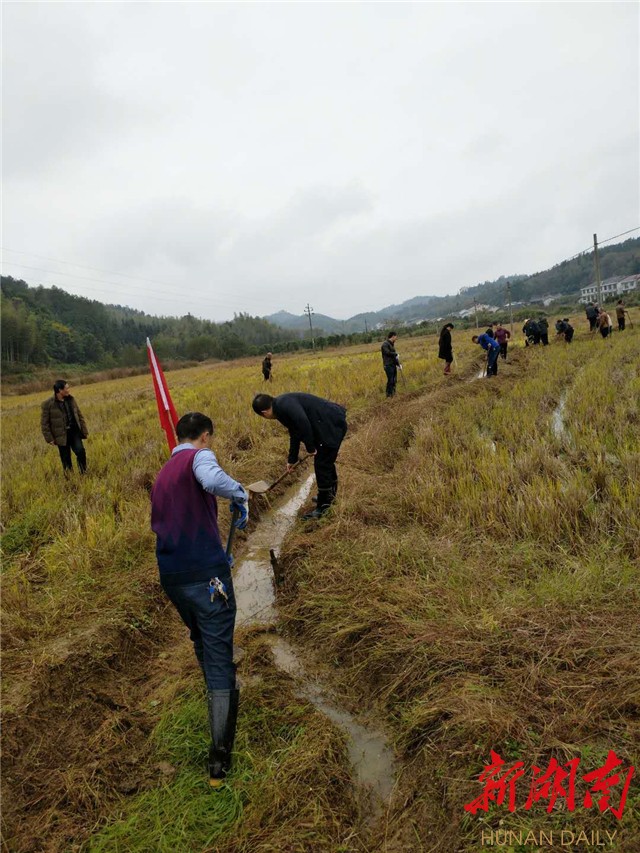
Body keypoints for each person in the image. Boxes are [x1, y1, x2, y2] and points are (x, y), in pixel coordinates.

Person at [150, 412, 249, 787]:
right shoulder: (199, 457)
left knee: (202, 641)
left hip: (173, 578)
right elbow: (210, 479)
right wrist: (239, 494)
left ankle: (214, 693)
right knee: (220, 653)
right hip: (207, 579)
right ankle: (219, 762)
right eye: (210, 439)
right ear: (205, 436)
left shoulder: (164, 472)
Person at [252, 392, 347, 520]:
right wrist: (292, 459)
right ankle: (328, 498)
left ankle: (323, 508)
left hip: (331, 424)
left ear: (264, 413)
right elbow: (295, 432)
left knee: (322, 465)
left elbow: (303, 421)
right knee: (325, 462)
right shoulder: (280, 407)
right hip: (326, 423)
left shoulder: (284, 406)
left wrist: (310, 447)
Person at [40, 380, 89, 474]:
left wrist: (84, 431)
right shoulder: (48, 404)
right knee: (66, 459)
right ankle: (69, 478)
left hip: (74, 432)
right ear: (60, 390)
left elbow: (79, 415)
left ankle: (83, 473)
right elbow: (44, 424)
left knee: (81, 451)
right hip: (60, 435)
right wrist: (49, 438)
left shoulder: (71, 400)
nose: (68, 390)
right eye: (67, 388)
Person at [381, 331, 400, 397]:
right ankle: (389, 395)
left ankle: (393, 393)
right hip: (388, 365)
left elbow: (394, 356)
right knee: (390, 380)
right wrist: (395, 354)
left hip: (393, 364)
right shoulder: (385, 344)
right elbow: (387, 353)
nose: (396, 338)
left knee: (394, 380)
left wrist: (398, 364)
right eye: (396, 337)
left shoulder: (391, 344)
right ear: (393, 336)